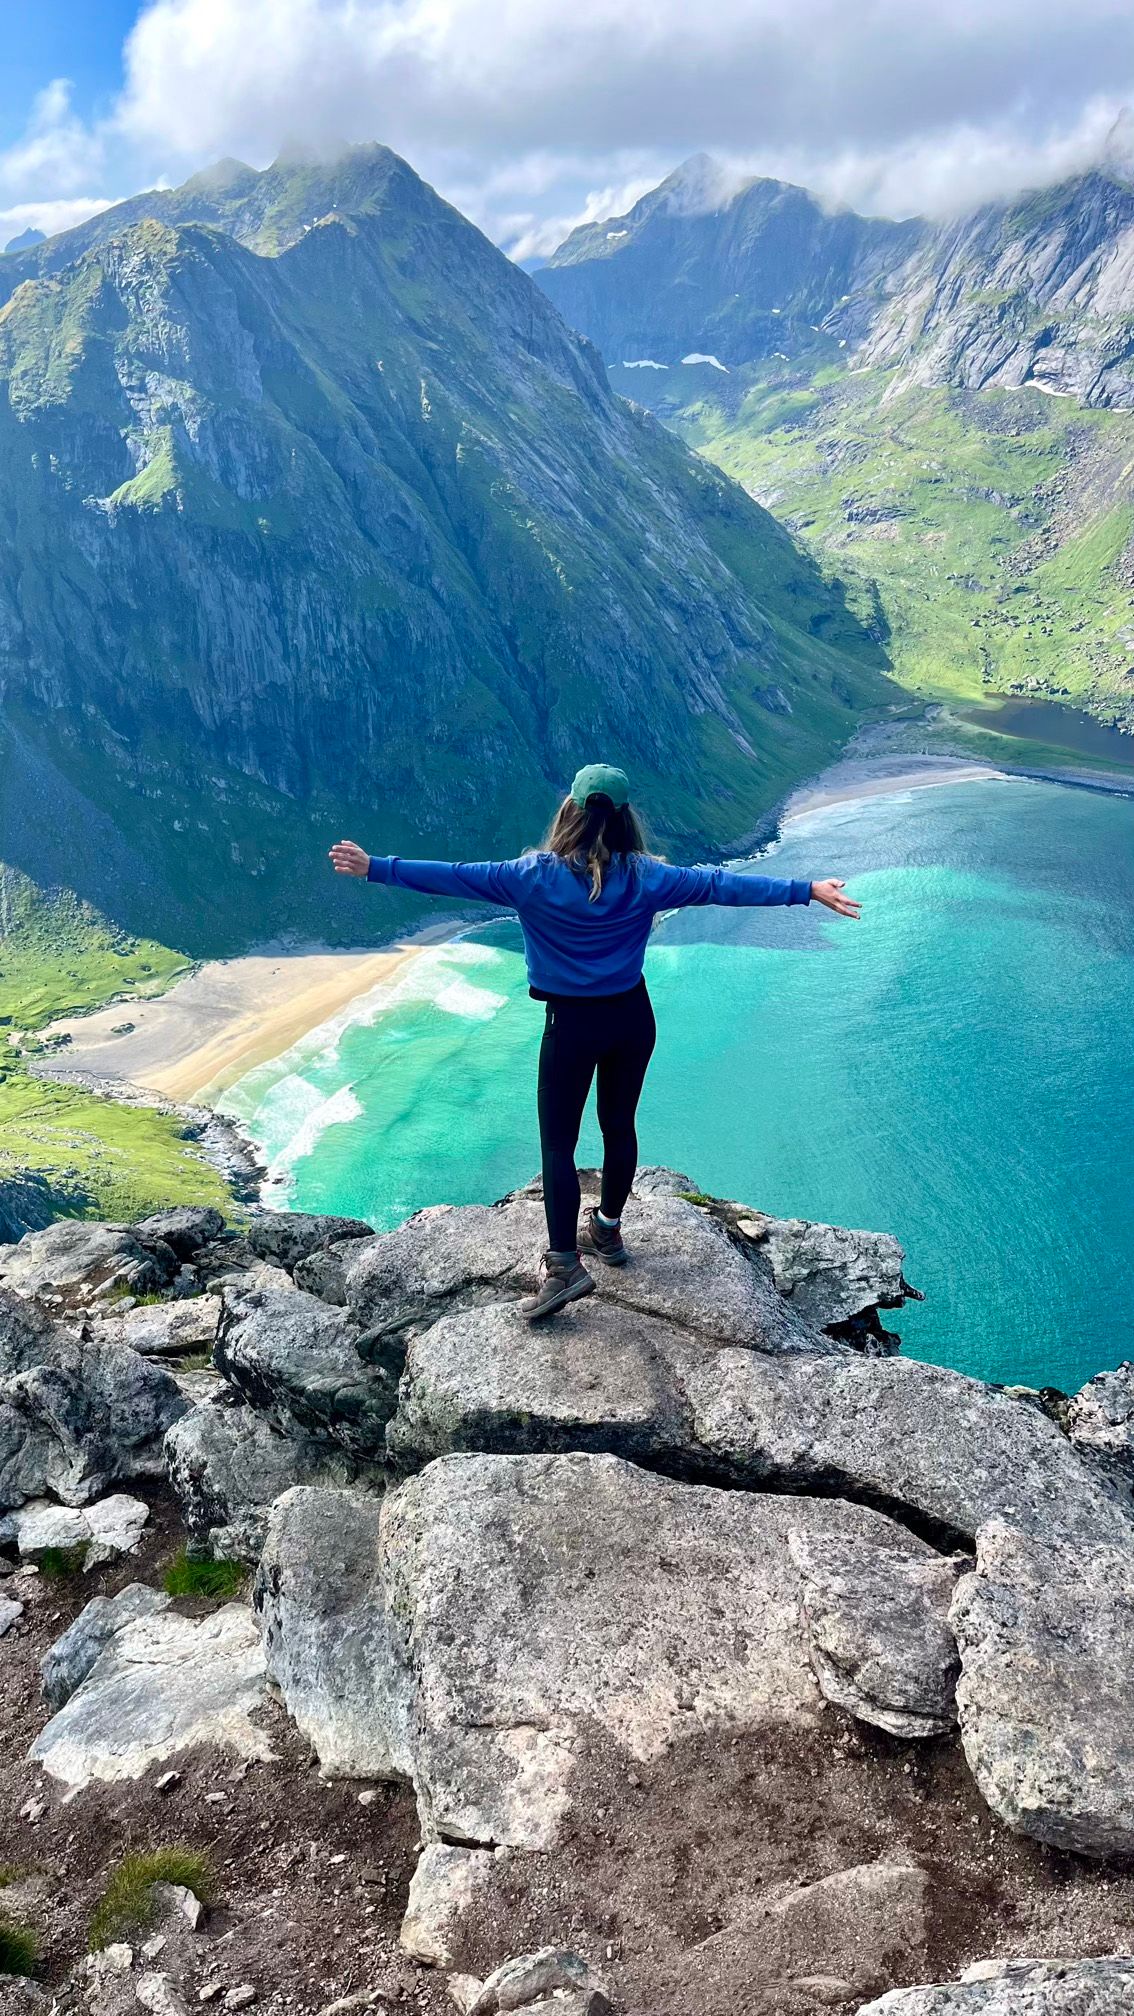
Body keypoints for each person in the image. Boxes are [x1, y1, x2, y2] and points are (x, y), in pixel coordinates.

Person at [329, 761, 860, 1320]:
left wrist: (375, 867)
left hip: (572, 1025)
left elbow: (452, 875)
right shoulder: (649, 876)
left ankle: (563, 1266)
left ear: (570, 811)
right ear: (627, 818)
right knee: (619, 1125)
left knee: (559, 1144)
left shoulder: (530, 876)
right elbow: (722, 885)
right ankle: (606, 1230)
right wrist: (806, 890)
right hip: (632, 1018)